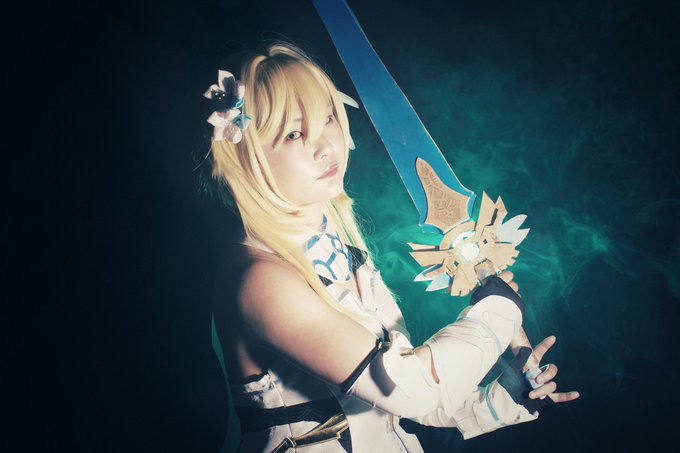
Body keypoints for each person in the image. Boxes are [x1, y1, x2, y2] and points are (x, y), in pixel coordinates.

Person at [205, 41, 579, 453]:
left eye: (327, 117)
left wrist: (504, 395)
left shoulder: (343, 255)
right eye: (295, 133)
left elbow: (400, 408)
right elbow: (410, 390)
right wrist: (499, 312)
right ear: (246, 155)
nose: (325, 146)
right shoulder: (260, 279)